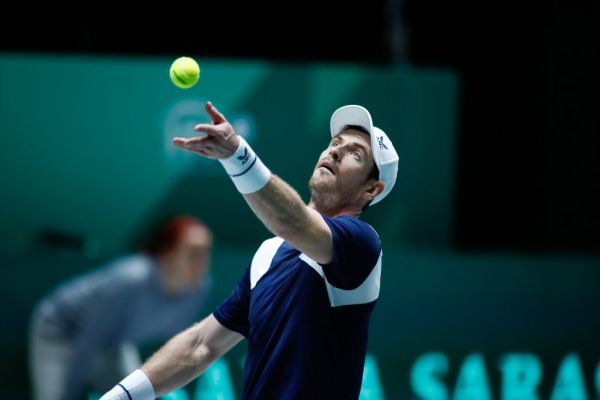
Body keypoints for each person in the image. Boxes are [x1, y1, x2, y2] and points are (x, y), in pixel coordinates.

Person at [100, 102, 399, 400]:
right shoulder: (268, 254)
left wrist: (236, 155)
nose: (335, 151)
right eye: (336, 143)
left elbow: (292, 221)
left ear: (371, 190)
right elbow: (202, 344)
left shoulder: (362, 244)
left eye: (355, 154)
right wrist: (121, 395)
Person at [29, 215, 214, 400]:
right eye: (194, 253)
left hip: (115, 343)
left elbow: (177, 345)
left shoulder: (199, 288)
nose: (202, 262)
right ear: (167, 254)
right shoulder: (130, 279)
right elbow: (90, 339)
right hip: (61, 333)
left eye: (206, 253)